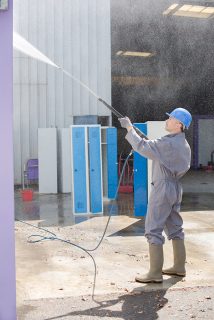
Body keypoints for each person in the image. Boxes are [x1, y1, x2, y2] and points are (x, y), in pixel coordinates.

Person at [119, 108, 192, 283]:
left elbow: (143, 147)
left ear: (179, 124)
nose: (167, 120)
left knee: (153, 228)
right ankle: (179, 267)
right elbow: (156, 148)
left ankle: (154, 273)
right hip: (175, 188)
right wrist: (147, 140)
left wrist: (129, 128)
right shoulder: (183, 144)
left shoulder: (168, 143)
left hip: (163, 188)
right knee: (175, 227)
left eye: (170, 118)